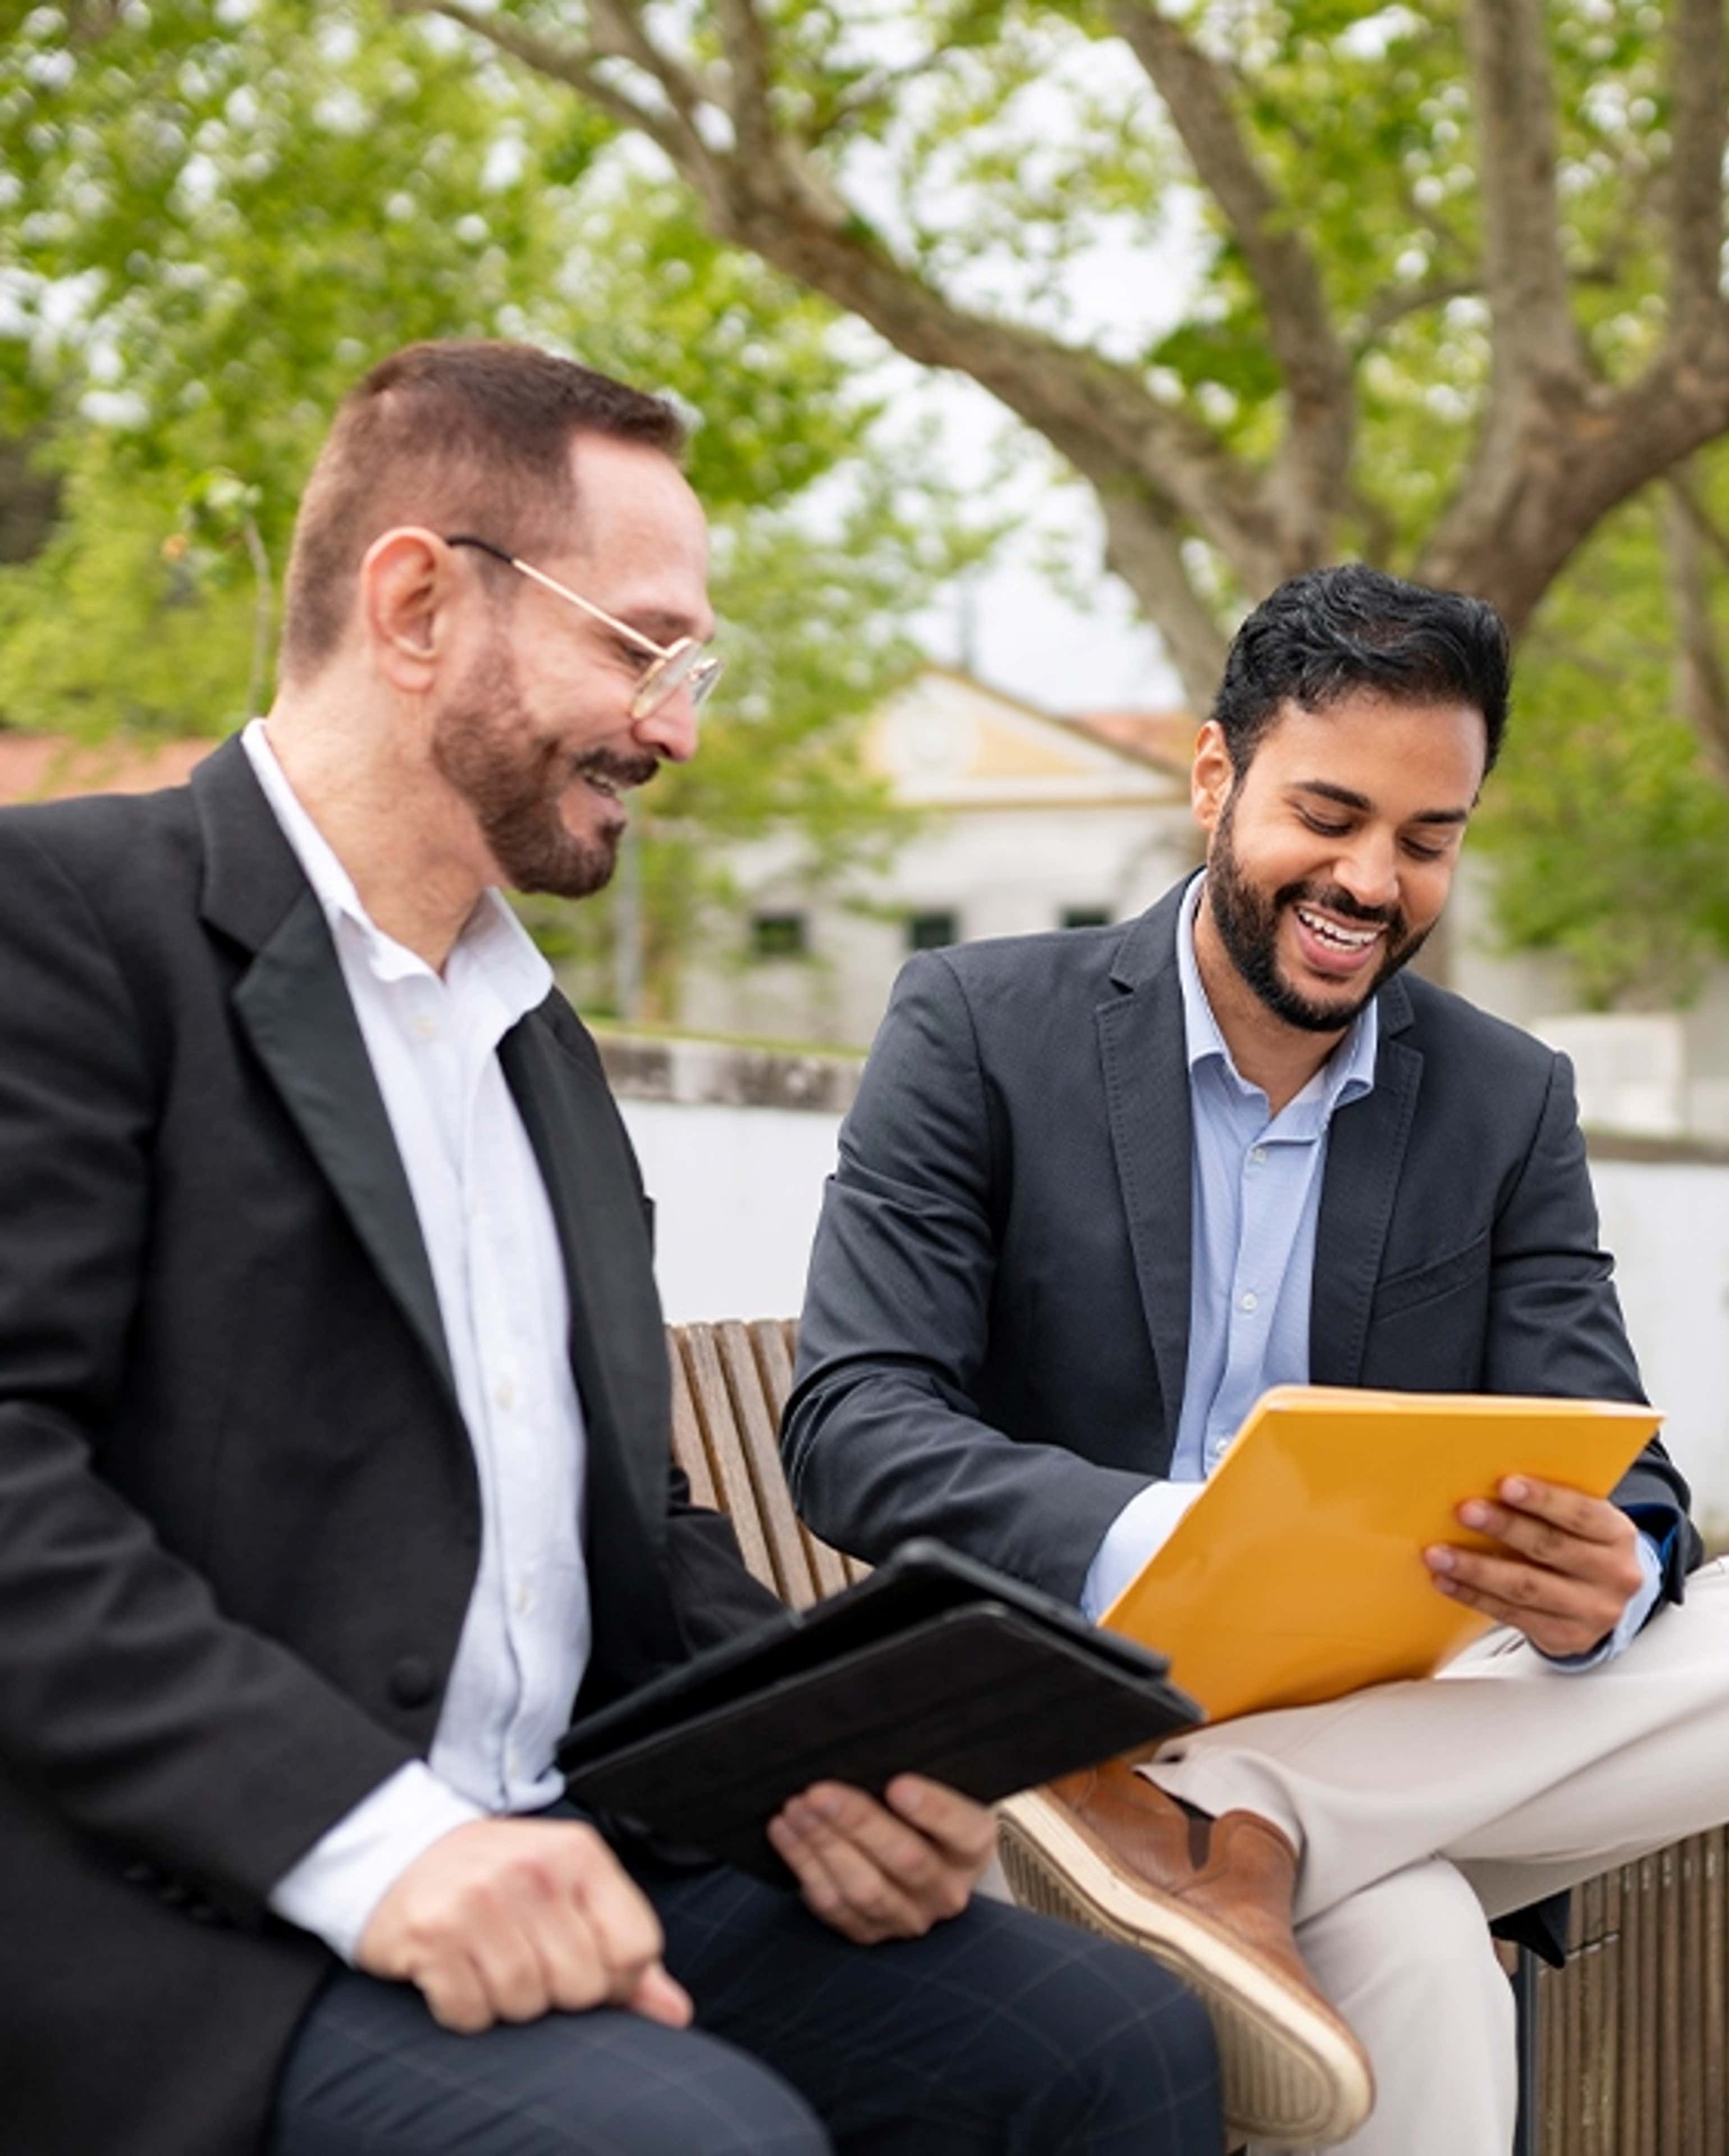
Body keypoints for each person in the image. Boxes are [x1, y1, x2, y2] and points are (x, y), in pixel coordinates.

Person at [0, 340, 1222, 2156]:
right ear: (418, 605)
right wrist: (385, 1849)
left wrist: (824, 1764)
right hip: (209, 1921)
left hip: (580, 1844)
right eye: (640, 648)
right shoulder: (60, 924)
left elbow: (627, 1518)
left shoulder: (535, 1043)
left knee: (1111, 2044)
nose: (676, 727)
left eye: (689, 666)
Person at [781, 565, 1729, 2154]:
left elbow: (1619, 1453)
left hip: (1369, 1719)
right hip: (1048, 1731)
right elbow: (854, 1423)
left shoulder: (1507, 1098)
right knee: (1418, 1937)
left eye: (1427, 839)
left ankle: (1235, 1819)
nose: (1372, 881)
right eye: (1328, 817)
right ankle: (1217, 1821)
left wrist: (1612, 1574)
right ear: (1214, 777)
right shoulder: (979, 1025)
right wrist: (1168, 1536)